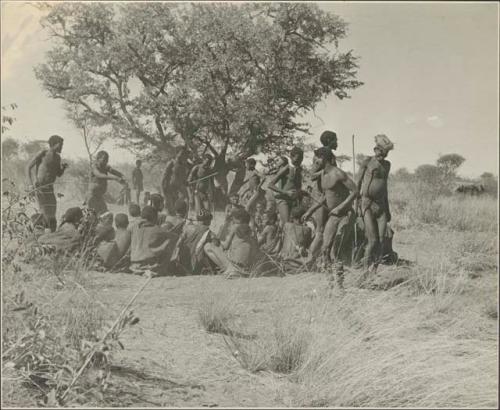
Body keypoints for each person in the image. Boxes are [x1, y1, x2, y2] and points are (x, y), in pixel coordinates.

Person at [302, 147, 358, 288]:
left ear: (324, 158)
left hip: (345, 215)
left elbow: (355, 191)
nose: (315, 162)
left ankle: (339, 284)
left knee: (336, 250)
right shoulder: (322, 175)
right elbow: (324, 197)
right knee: (325, 249)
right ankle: (330, 283)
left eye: (317, 159)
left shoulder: (338, 173)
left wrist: (341, 207)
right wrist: (310, 210)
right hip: (333, 216)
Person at [355, 134, 394, 284]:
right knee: (372, 240)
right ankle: (364, 273)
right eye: (381, 151)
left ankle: (374, 271)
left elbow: (385, 188)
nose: (383, 154)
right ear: (375, 149)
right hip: (367, 204)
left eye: (386, 152)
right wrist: (356, 206)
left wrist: (388, 209)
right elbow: (357, 184)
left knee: (382, 240)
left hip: (381, 206)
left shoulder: (387, 165)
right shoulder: (367, 162)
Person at [204, 208, 277, 278]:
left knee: (208, 246)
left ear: (238, 219)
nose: (232, 220)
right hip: (251, 268)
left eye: (233, 219)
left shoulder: (235, 228)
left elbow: (225, 246)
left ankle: (227, 269)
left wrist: (217, 240)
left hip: (236, 267)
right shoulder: (252, 230)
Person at [26, 135, 69, 232]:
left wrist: (63, 168)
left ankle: (49, 236)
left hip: (50, 189)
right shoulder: (43, 153)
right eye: (61, 145)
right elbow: (28, 167)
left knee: (52, 215)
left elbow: (58, 174)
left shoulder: (58, 158)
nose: (62, 147)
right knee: (44, 213)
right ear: (54, 144)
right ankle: (35, 233)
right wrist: (30, 184)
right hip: (40, 187)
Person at [308, 131, 339, 262]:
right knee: (320, 230)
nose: (337, 142)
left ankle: (324, 259)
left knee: (329, 228)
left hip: (329, 195)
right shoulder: (319, 156)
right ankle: (309, 261)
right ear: (329, 141)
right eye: (335, 140)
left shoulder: (331, 156)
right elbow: (312, 175)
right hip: (320, 195)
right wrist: (325, 171)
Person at [129, 205, 176, 275]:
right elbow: (174, 237)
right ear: (154, 217)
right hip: (149, 266)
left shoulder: (133, 228)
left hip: (133, 265)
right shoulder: (157, 229)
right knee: (170, 241)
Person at [172, 209, 217, 275]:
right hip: (196, 266)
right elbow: (216, 244)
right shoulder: (210, 233)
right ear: (209, 221)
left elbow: (178, 243)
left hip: (182, 263)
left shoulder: (187, 228)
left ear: (198, 219)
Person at [268, 146, 304, 226]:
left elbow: (298, 186)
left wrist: (300, 193)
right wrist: (286, 192)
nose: (299, 161)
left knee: (294, 224)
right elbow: (270, 185)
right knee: (287, 224)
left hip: (293, 201)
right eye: (297, 158)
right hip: (283, 200)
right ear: (291, 157)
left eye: (301, 159)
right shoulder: (286, 169)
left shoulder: (299, 170)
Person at [87, 150, 127, 216]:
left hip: (100, 196)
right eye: (104, 159)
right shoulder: (94, 166)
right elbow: (98, 175)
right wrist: (115, 178)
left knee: (104, 215)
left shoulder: (106, 167)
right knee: (92, 216)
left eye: (107, 159)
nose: (106, 161)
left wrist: (122, 176)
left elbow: (114, 171)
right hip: (92, 196)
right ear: (98, 159)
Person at [161, 148, 190, 215]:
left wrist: (185, 182)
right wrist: (163, 188)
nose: (183, 156)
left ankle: (181, 215)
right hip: (169, 188)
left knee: (186, 198)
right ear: (177, 154)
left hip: (178, 188)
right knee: (170, 206)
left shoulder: (184, 165)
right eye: (181, 154)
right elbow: (164, 176)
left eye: (184, 154)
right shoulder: (171, 163)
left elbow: (183, 177)